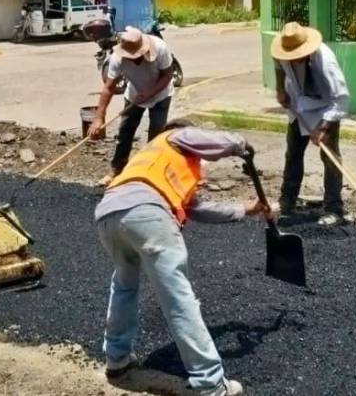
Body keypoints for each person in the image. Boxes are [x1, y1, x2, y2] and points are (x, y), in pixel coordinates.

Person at [95, 119, 270, 396]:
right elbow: (211, 140)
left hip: (108, 214)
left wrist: (245, 209)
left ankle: (117, 360)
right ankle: (210, 383)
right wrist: (241, 144)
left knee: (124, 287)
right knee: (178, 297)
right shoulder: (175, 136)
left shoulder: (150, 162)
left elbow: (197, 208)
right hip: (147, 212)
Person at [270, 21, 350, 227]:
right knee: (293, 153)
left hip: (325, 108)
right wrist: (280, 88)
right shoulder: (282, 50)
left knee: (330, 157)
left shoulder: (325, 61)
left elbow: (341, 99)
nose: (292, 58)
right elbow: (277, 62)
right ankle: (287, 202)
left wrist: (323, 127)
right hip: (298, 105)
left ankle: (334, 209)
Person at [89, 26, 176, 185]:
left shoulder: (160, 48)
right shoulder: (117, 59)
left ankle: (151, 171)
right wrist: (99, 118)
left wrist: (150, 93)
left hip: (161, 95)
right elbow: (109, 88)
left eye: (137, 56)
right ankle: (117, 169)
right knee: (125, 131)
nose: (134, 60)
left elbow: (168, 75)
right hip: (135, 94)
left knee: (156, 133)